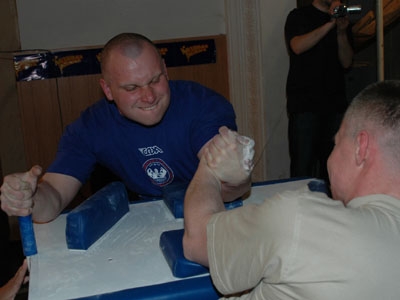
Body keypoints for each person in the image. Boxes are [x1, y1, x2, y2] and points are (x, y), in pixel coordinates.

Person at [0, 32, 250, 223]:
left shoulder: (203, 105)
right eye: (132, 88)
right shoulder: (90, 127)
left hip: (214, 211)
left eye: (155, 80)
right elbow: (53, 194)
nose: (149, 96)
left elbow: (224, 185)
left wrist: (237, 181)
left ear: (165, 70)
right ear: (107, 90)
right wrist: (29, 198)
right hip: (147, 216)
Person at [183, 80, 400, 299]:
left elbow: (198, 240)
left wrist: (210, 165)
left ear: (360, 148)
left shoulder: (301, 219)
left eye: (336, 143)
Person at [285, 0, 354, 182]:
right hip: (304, 106)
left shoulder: (341, 20)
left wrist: (340, 32)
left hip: (335, 106)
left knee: (334, 170)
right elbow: (298, 46)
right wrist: (330, 24)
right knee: (302, 170)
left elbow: (347, 61)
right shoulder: (298, 16)